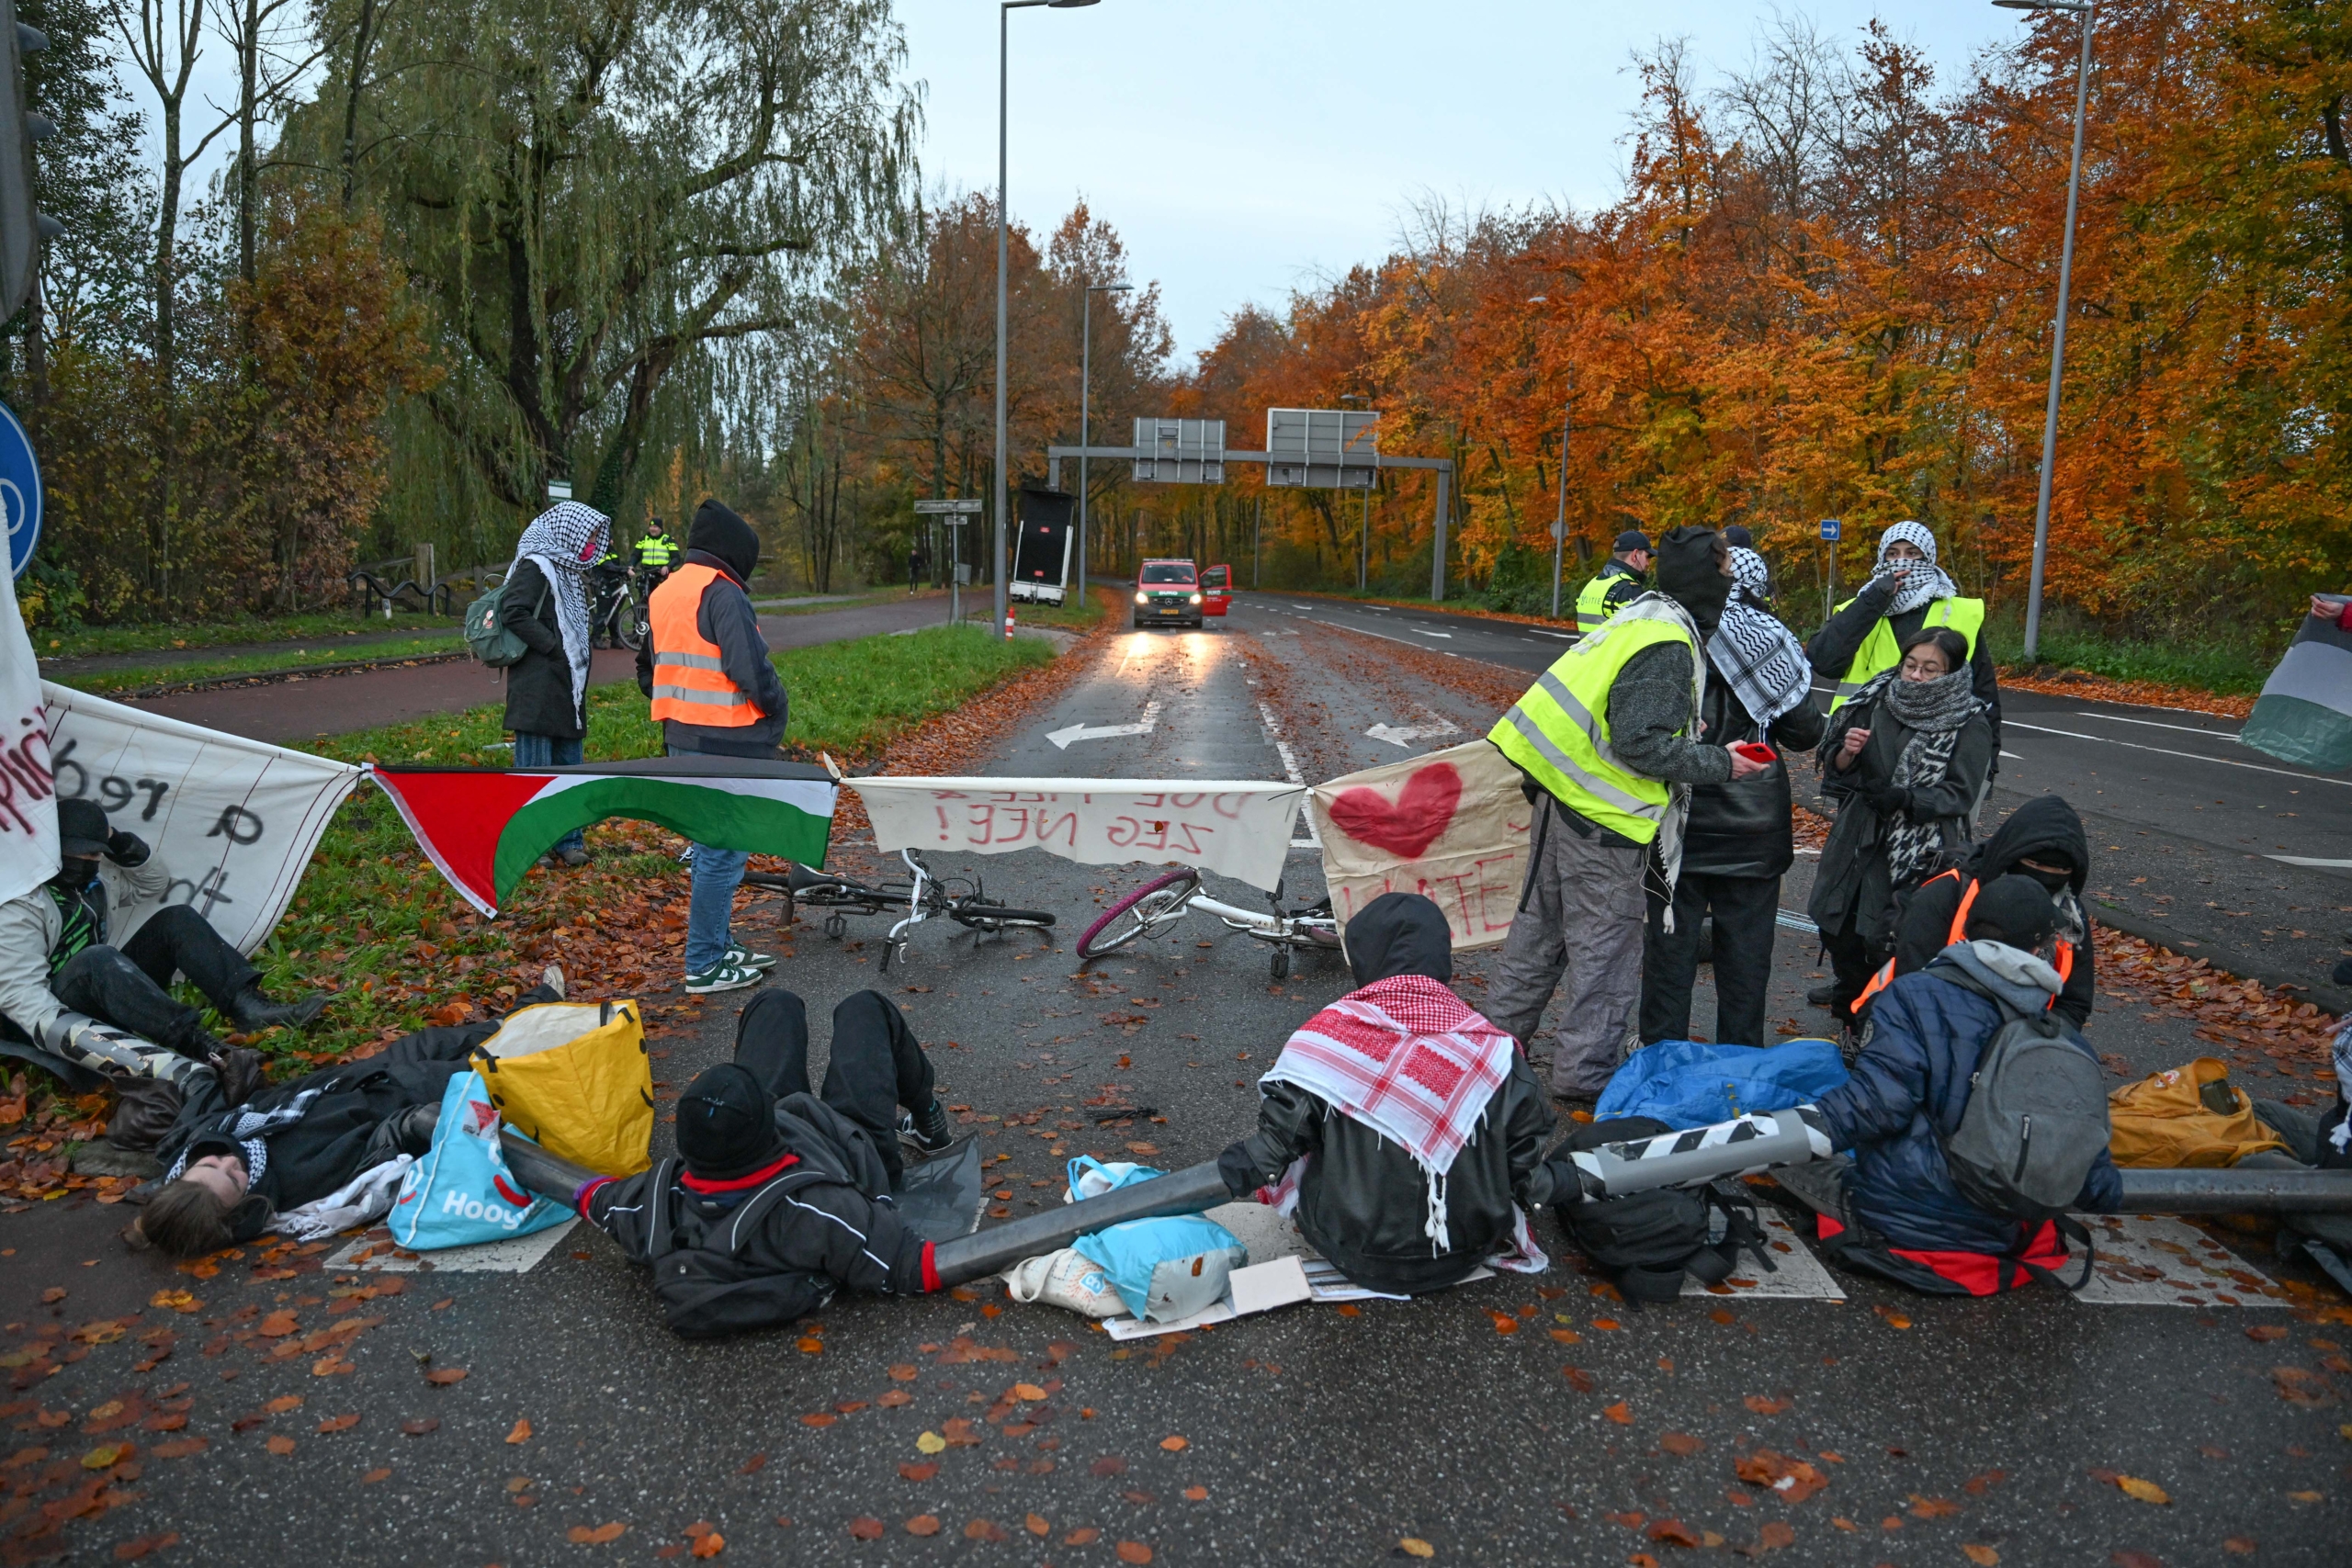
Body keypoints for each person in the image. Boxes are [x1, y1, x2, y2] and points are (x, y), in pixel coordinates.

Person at [1485, 526, 1773, 1100]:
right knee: (1605, 955)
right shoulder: (1669, 641)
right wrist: (1720, 761)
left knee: (1537, 941)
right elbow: (1639, 745)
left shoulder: (1640, 616)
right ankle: (1585, 1077)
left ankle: (1488, 1054)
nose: (1730, 579)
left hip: (1558, 797)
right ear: (1701, 579)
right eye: (1722, 570)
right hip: (1602, 818)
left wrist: (1682, 730)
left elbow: (1620, 712)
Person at [1788, 875, 2121, 1294]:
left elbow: (1873, 1107)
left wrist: (1774, 1129)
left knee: (1797, 1154)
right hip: (2005, 1230)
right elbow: (2097, 1185)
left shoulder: (1911, 995)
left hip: (1906, 1221)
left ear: (1965, 932)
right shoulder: (2061, 1037)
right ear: (2042, 950)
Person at [1216, 894, 1564, 1295]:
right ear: (1440, 957)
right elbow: (1524, 1168)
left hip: (1346, 1247)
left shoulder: (1327, 1040)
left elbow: (1274, 1149)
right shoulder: (1495, 1052)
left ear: (1365, 957)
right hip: (1465, 1249)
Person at [577, 987, 958, 1335]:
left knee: (774, 1002)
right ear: (767, 1128)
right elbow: (920, 1266)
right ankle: (928, 1118)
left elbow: (589, 1195)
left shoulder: (654, 1202)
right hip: (849, 1149)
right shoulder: (825, 1212)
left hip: (758, 1149)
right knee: (864, 1007)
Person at [130, 970, 569, 1258]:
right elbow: (378, 1150)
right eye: (232, 1179)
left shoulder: (206, 1139)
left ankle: (541, 1000)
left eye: (210, 1164)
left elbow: (203, 1094)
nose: (229, 1161)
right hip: (401, 1097)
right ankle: (561, 1025)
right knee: (505, 1058)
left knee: (468, 1034)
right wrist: (415, 1119)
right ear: (241, 1206)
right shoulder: (295, 1179)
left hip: (363, 1075)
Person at [0, 799, 322, 1137]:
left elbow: (152, 882)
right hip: (52, 1015)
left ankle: (247, 1004)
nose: (86, 861)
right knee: (97, 958)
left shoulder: (98, 881)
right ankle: (201, 1045)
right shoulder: (18, 904)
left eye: (94, 853)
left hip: (107, 985)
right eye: (77, 852)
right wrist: (133, 1056)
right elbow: (29, 1005)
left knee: (176, 919)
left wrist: (117, 841)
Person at [1640, 545, 1826, 1048]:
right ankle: (1739, 1063)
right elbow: (1806, 732)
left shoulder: (1667, 631)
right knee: (1746, 958)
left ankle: (1662, 1059)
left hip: (1678, 818)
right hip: (1754, 823)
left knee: (1669, 952)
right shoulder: (1768, 642)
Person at [636, 499, 790, 994]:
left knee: (708, 849)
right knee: (722, 853)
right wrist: (775, 705)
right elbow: (751, 670)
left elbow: (647, 669)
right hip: (730, 742)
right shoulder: (722, 594)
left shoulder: (667, 591)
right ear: (735, 552)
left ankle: (720, 945)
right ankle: (704, 961)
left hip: (682, 738)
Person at [1807, 626, 1994, 1032]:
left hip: (1920, 849)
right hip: (1858, 835)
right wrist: (1846, 753)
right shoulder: (1877, 698)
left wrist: (1908, 800)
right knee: (1838, 924)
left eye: (1930, 669)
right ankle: (1849, 1009)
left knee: (1893, 938)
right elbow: (1836, 768)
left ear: (1952, 672)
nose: (1915, 676)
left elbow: (1961, 793)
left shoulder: (1969, 720)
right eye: (1911, 665)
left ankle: (1879, 1025)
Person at [1860, 795, 2096, 1030]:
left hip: (2018, 1040)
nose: (2046, 876)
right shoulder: (1947, 893)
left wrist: (2030, 1043)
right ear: (2010, 857)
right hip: (1918, 1025)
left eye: (2060, 869)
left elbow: (2074, 1003)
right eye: (2035, 865)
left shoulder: (2070, 915)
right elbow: (1913, 983)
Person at [1808, 520, 1999, 750]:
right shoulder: (1860, 607)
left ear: (1928, 558)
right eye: (1892, 553)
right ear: (1882, 559)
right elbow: (1822, 661)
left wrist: (1988, 765)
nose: (1902, 561)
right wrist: (1873, 600)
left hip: (1935, 747)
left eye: (1912, 553)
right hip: (1860, 743)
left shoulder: (1960, 612)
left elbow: (1985, 695)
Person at [501, 500, 612, 869]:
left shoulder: (570, 571)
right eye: (590, 536)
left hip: (566, 687)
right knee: (534, 770)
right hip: (537, 686)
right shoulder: (537, 564)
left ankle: (568, 840)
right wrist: (553, 648)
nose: (593, 543)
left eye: (597, 537)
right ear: (570, 531)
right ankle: (531, 844)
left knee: (570, 768)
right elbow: (512, 610)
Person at [1571, 530, 1652, 634]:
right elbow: (1637, 637)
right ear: (1635, 555)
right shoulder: (1629, 589)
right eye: (1647, 557)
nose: (1648, 563)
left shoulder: (1592, 584)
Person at [632, 517, 678, 584]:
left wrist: (668, 567)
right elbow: (635, 555)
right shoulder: (643, 539)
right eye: (651, 527)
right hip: (647, 573)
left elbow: (676, 558)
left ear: (660, 529)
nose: (652, 529)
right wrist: (631, 565)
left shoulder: (669, 540)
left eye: (655, 527)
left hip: (662, 574)